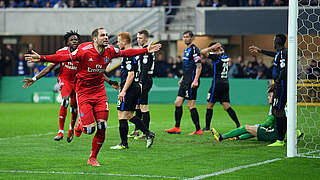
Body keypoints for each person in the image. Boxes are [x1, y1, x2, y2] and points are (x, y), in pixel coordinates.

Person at [24, 27, 161, 166]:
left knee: (102, 126)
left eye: (107, 35)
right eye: (103, 35)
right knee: (89, 130)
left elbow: (126, 53)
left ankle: (92, 158)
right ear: (95, 38)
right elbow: (62, 57)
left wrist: (145, 50)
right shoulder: (84, 50)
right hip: (83, 92)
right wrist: (42, 58)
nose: (106, 37)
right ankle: (80, 124)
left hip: (100, 93)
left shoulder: (110, 51)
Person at [22, 30, 80, 143]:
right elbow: (49, 68)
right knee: (65, 100)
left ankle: (71, 129)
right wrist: (34, 78)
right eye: (72, 40)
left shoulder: (82, 53)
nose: (74, 41)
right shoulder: (61, 52)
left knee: (74, 108)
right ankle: (60, 131)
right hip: (65, 80)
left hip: (77, 82)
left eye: (76, 40)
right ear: (67, 43)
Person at [211, 84, 303, 142]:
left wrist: (260, 125)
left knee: (248, 127)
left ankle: (222, 137)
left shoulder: (275, 107)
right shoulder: (282, 104)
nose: (268, 98)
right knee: (254, 129)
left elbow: (268, 123)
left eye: (270, 96)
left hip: (273, 134)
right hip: (277, 133)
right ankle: (237, 137)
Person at [110, 32, 155, 149]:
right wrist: (121, 85)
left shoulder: (128, 55)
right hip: (132, 87)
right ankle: (148, 133)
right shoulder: (132, 54)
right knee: (129, 115)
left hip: (129, 88)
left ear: (124, 41)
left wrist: (123, 90)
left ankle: (124, 144)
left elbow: (131, 74)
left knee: (122, 115)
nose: (118, 43)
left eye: (119, 41)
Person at [249, 34, 288, 147]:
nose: (273, 41)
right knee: (277, 110)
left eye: (274, 39)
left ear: (277, 41)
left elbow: (284, 70)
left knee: (278, 111)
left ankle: (280, 139)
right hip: (278, 85)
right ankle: (285, 134)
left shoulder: (283, 53)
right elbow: (274, 55)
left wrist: (275, 84)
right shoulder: (279, 54)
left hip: (281, 86)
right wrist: (260, 50)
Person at [165, 31, 203, 135]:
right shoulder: (186, 50)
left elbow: (199, 66)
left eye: (187, 37)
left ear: (192, 38)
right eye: (184, 37)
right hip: (185, 81)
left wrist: (195, 80)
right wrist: (182, 78)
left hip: (191, 81)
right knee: (177, 103)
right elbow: (187, 67)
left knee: (191, 105)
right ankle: (177, 127)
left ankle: (198, 130)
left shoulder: (195, 50)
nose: (185, 39)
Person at [200, 42, 240, 132]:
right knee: (226, 106)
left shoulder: (216, 57)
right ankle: (238, 124)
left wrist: (212, 48)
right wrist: (217, 48)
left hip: (216, 84)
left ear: (214, 48)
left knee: (209, 105)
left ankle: (207, 127)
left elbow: (202, 52)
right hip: (225, 83)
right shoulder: (225, 56)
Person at [128, 30, 156, 139]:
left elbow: (145, 69)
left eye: (140, 38)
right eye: (138, 37)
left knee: (144, 106)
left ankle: (146, 133)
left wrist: (140, 82)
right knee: (137, 106)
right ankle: (137, 130)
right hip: (141, 79)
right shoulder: (143, 50)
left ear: (146, 39)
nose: (138, 40)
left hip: (145, 80)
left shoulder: (147, 51)